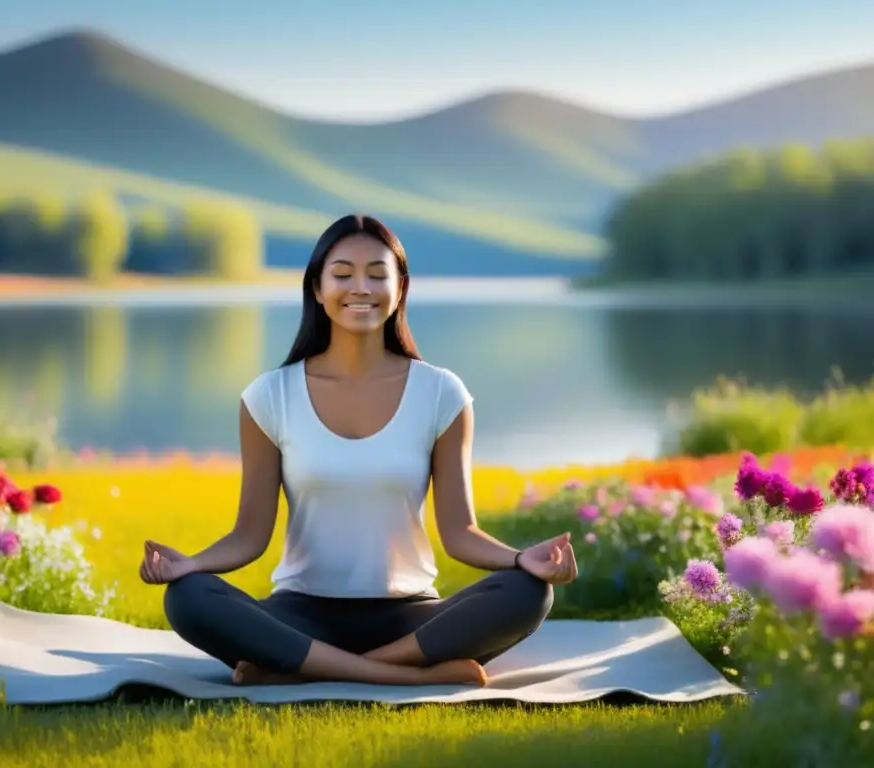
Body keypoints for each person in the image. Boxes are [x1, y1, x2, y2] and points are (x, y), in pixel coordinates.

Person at [139, 214, 579, 688]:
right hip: (300, 616)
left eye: (377, 273)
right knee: (187, 597)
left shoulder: (440, 393)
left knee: (528, 594)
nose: (360, 287)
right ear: (317, 288)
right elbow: (249, 535)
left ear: (401, 287)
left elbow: (461, 532)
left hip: (410, 618)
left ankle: (300, 669)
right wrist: (190, 565)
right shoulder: (271, 396)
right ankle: (404, 675)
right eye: (343, 273)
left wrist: (520, 560)